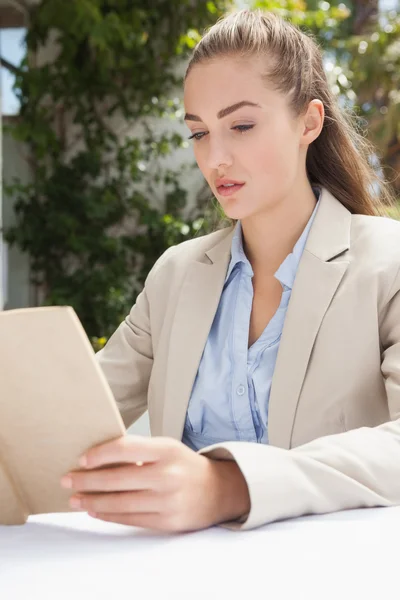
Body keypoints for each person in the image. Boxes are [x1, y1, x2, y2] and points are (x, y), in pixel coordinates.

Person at [60, 8, 400, 533]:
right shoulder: (175, 275)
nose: (215, 156)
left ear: (309, 122)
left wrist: (228, 486)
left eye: (241, 125)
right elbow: (71, 419)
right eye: (199, 133)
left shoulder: (387, 262)